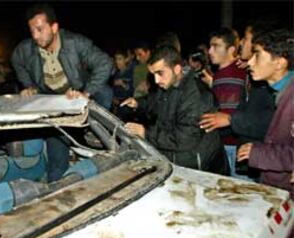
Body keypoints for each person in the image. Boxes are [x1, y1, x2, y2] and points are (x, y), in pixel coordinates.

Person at [11, 3, 113, 182]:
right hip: (54, 102)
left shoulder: (76, 43)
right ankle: (56, 187)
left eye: (40, 29)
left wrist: (86, 93)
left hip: (77, 95)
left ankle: (93, 130)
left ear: (54, 27)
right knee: (56, 164)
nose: (35, 36)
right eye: (32, 31)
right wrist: (29, 86)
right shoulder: (24, 50)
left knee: (104, 92)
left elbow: (105, 63)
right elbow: (16, 62)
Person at [121, 45, 228, 174]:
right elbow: (155, 101)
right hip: (180, 159)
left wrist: (146, 134)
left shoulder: (197, 96)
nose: (156, 80)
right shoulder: (169, 83)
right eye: (153, 74)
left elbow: (184, 139)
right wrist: (138, 103)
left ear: (177, 69)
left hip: (199, 167)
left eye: (160, 73)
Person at [237, 28, 294, 192]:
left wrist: (259, 154)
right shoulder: (281, 92)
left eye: (257, 55)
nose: (250, 62)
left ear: (280, 62)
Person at [203, 27, 248, 178]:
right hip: (222, 144)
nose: (210, 51)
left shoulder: (243, 71)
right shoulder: (218, 75)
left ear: (231, 49)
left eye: (216, 46)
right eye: (210, 46)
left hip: (236, 147)